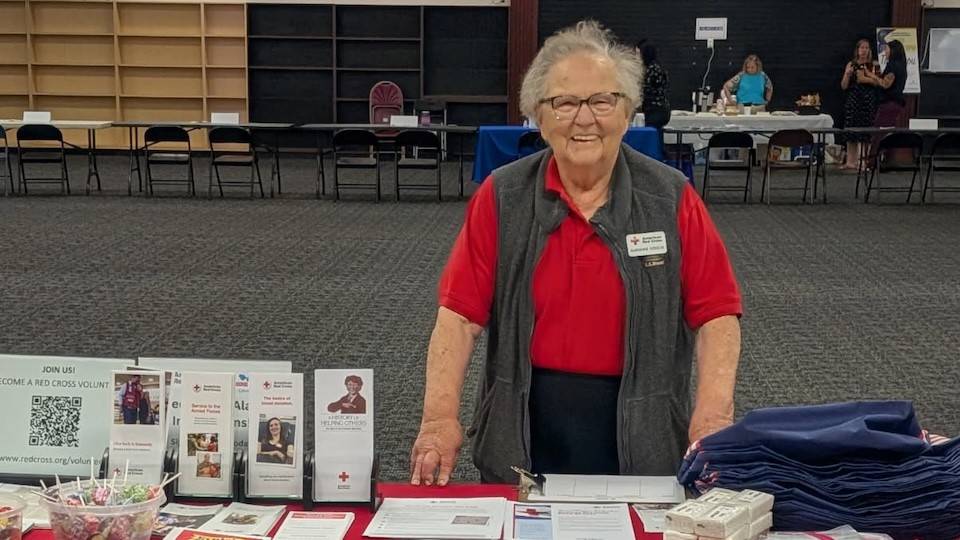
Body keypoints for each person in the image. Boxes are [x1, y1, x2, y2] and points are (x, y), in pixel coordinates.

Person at [409, 20, 742, 486]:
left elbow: (716, 316)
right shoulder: (502, 196)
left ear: (627, 113)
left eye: (603, 100)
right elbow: (459, 317)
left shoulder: (672, 197)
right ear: (538, 117)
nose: (584, 118)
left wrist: (712, 417)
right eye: (564, 102)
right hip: (522, 429)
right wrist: (438, 418)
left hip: (642, 434)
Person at [859, 39, 908, 154]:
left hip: (889, 103)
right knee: (886, 132)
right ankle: (882, 159)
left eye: (886, 49)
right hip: (895, 103)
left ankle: (872, 161)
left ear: (893, 51)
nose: (885, 52)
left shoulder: (893, 66)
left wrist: (871, 76)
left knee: (878, 133)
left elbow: (886, 84)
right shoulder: (901, 66)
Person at [839, 39, 879, 170]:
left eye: (867, 48)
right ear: (857, 50)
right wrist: (847, 74)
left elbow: (877, 82)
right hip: (853, 100)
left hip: (867, 101)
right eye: (862, 48)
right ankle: (850, 161)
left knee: (864, 132)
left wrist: (866, 77)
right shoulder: (851, 64)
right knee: (851, 131)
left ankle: (862, 161)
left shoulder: (873, 65)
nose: (864, 50)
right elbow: (843, 86)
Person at [637, 40, 670, 139]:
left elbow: (645, 90)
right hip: (659, 109)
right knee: (655, 137)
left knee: (651, 137)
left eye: (638, 53)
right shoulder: (656, 67)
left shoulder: (652, 70)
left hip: (656, 110)